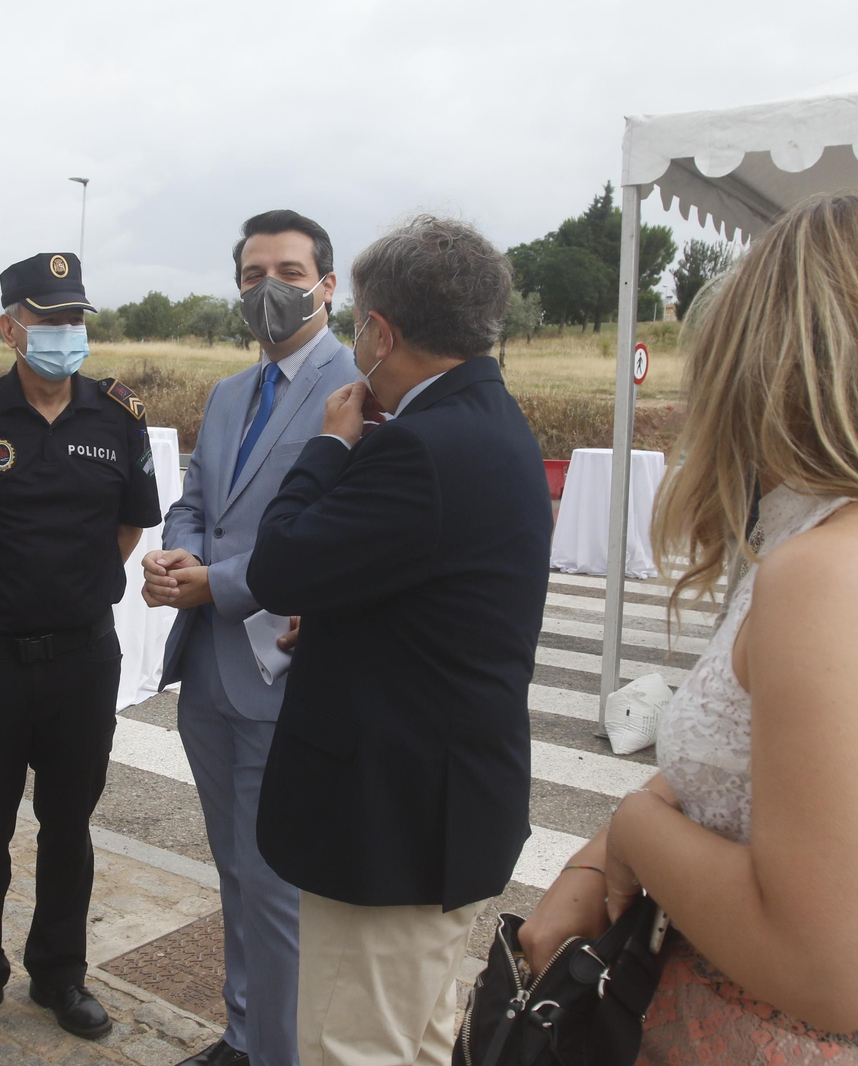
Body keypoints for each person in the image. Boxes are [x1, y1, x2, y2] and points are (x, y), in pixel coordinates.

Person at [519, 191, 858, 1065]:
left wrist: (634, 832)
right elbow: (778, 772)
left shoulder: (840, 571)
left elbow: (831, 965)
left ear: (764, 357)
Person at [246, 215, 551, 1066]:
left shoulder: (418, 444)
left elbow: (279, 565)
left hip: (393, 829)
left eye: (358, 329)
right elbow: (428, 587)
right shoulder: (487, 417)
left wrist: (327, 447)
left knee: (356, 1046)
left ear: (379, 331)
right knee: (413, 1042)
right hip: (449, 815)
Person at [0, 252, 163, 1051]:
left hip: (83, 662)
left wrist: (74, 586)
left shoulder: (118, 416)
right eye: (47, 319)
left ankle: (60, 973)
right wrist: (2, 598)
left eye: (74, 319)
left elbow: (129, 527)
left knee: (70, 826)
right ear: (10, 327)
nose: (64, 333)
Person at [141, 209, 359, 1066]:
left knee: (279, 891)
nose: (269, 288)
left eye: (289, 271)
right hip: (208, 672)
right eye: (251, 274)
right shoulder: (232, 392)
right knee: (234, 872)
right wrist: (178, 550)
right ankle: (242, 1032)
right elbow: (197, 495)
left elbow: (337, 534)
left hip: (286, 672)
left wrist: (219, 584)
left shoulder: (355, 388)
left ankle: (281, 1050)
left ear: (328, 285)